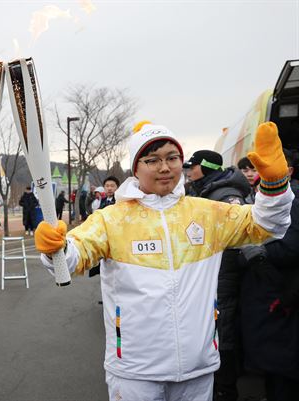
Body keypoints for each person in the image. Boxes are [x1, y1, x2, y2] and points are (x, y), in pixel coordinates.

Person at [34, 120, 293, 401]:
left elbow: (266, 224)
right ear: (136, 168)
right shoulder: (111, 220)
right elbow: (73, 256)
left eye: (172, 158)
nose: (165, 167)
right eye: (152, 160)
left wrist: (275, 188)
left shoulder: (208, 214)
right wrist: (55, 249)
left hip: (198, 367)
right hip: (136, 371)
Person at [183, 149, 251, 401]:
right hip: (212, 269)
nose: (189, 171)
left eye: (193, 166)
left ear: (207, 167)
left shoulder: (226, 195)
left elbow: (243, 236)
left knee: (223, 328)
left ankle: (225, 388)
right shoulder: (206, 190)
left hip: (225, 272)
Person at [240, 149, 299, 401]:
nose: (261, 172)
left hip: (281, 294)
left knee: (282, 370)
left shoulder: (294, 200)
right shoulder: (262, 196)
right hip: (273, 293)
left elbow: (291, 247)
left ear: (289, 171)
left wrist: (259, 250)